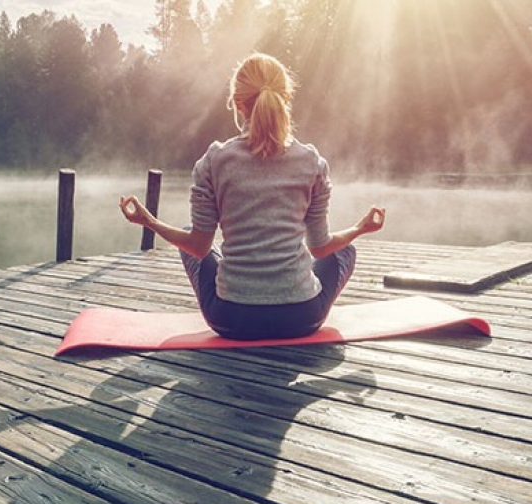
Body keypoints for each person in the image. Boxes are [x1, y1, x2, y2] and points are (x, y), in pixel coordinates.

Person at [120, 53, 385, 340]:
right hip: (302, 317)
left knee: (193, 239)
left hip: (231, 320)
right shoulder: (312, 162)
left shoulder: (214, 161)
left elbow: (197, 246)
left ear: (236, 103)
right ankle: (292, 287)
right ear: (286, 99)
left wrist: (149, 222)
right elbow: (320, 248)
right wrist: (361, 228)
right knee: (344, 250)